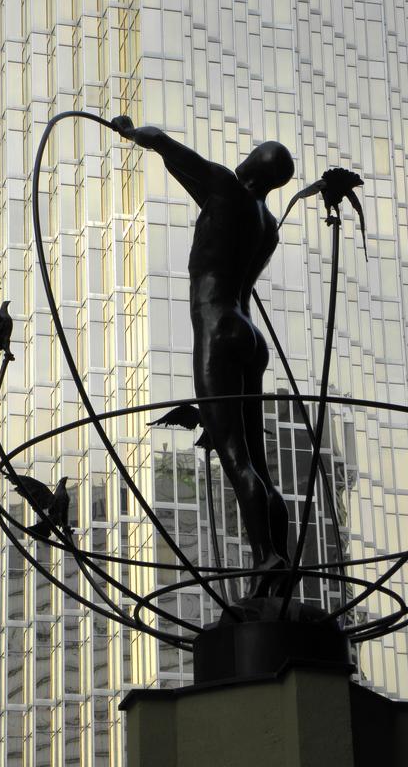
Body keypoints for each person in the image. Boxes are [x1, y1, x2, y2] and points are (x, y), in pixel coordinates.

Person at [112, 116, 294, 596]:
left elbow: (170, 149)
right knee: (257, 461)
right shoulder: (267, 226)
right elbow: (197, 184)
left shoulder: (226, 187)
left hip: (217, 325)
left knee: (235, 456)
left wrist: (133, 133)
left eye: (256, 149)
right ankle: (279, 555)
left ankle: (269, 558)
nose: (248, 152)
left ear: (256, 166)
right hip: (249, 335)